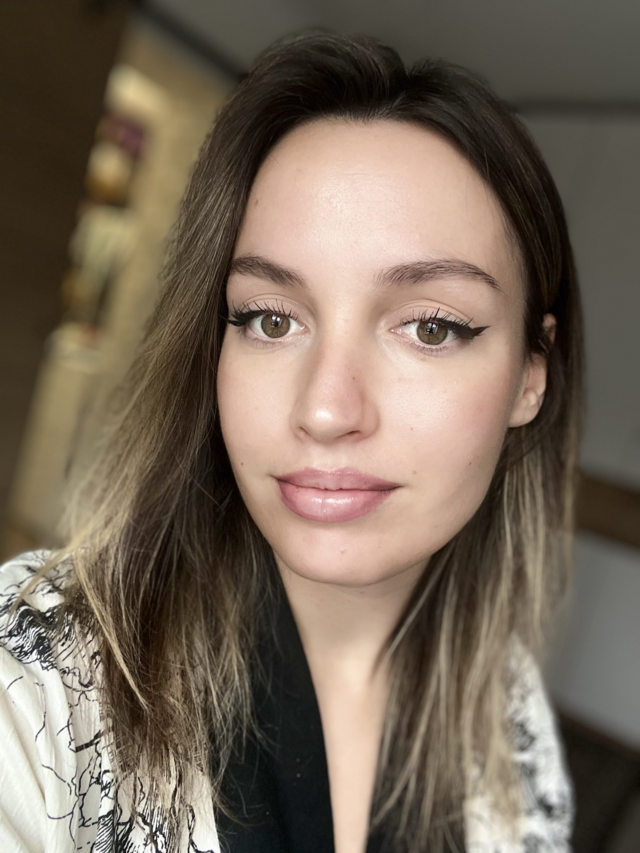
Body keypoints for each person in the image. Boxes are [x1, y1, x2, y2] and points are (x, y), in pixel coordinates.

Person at [0, 29, 583, 853]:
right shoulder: (39, 682)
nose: (326, 408)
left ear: (530, 374)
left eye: (430, 326)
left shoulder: (507, 715)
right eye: (271, 319)